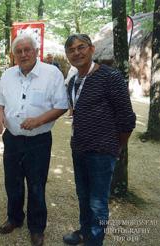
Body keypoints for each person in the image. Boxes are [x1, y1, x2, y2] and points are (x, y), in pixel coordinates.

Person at [0, 33, 68, 246]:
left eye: (28, 50)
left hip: (39, 140)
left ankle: (36, 228)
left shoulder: (51, 73)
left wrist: (39, 121)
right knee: (12, 182)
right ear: (14, 54)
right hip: (12, 139)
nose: (24, 54)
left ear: (36, 52)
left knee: (36, 185)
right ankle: (15, 218)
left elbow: (61, 105)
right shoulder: (7, 75)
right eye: (19, 51)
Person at [62, 34, 136, 246]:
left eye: (81, 47)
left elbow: (127, 118)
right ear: (67, 56)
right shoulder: (73, 82)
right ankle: (85, 232)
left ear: (92, 49)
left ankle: (95, 241)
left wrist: (117, 145)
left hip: (102, 153)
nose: (76, 53)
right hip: (79, 149)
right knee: (83, 196)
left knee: (98, 203)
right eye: (71, 50)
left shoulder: (110, 77)